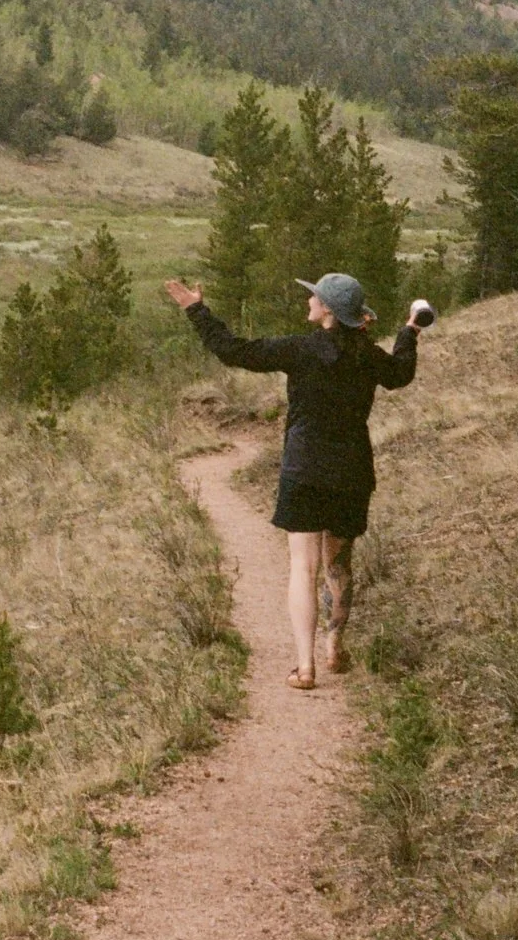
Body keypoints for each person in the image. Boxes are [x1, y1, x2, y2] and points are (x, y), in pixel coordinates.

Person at [164, 272, 428, 690]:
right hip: (352, 472)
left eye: (314, 298)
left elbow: (235, 351)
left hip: (304, 469)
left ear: (327, 311)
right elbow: (401, 373)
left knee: (301, 568)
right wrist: (409, 331)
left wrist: (195, 309)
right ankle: (334, 643)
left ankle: (305, 668)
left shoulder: (300, 350)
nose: (309, 302)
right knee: (338, 564)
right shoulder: (369, 355)